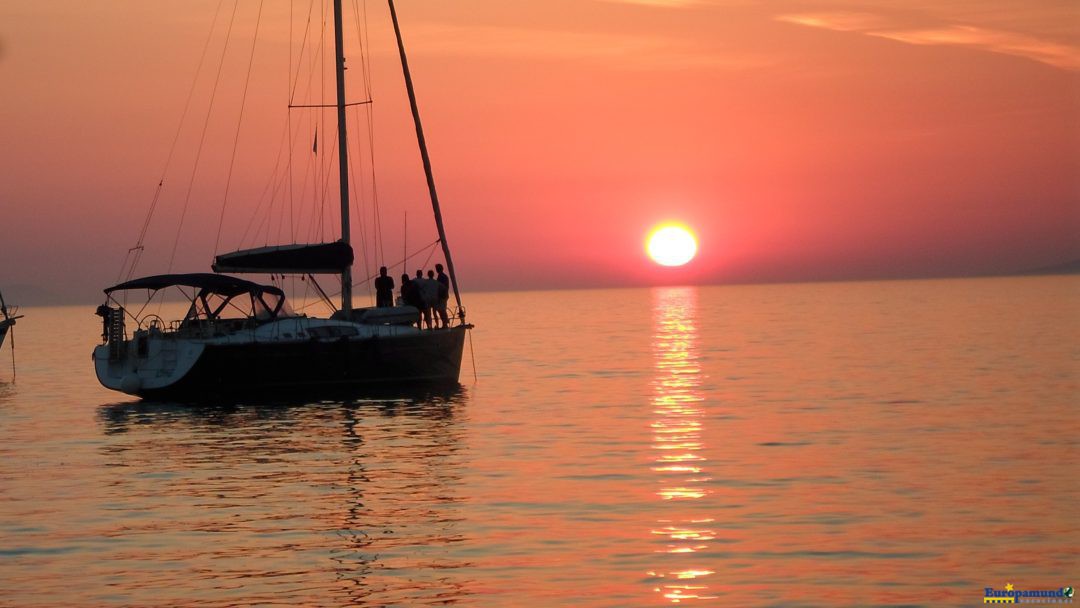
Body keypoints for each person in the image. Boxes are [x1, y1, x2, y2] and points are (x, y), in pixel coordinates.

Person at [434, 263, 450, 328]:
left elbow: (443, 287)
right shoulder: (442, 276)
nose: (436, 270)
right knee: (441, 310)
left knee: (442, 310)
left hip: (442, 296)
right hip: (443, 296)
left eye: (437, 269)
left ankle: (445, 323)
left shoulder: (442, 276)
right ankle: (445, 323)